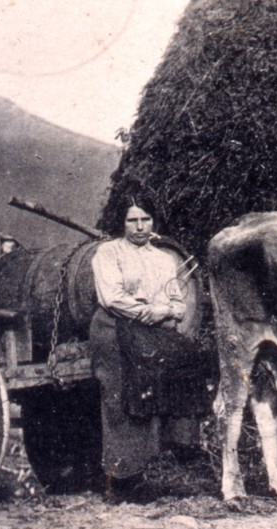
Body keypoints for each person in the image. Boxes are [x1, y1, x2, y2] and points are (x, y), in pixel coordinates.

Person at [90, 196, 208, 502]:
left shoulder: (164, 259)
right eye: (133, 220)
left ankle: (176, 456)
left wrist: (163, 312)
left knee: (188, 364)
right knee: (122, 394)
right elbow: (112, 297)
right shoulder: (108, 252)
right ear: (122, 222)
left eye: (146, 220)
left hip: (151, 329)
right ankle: (121, 480)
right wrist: (150, 312)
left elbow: (178, 303)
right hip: (114, 328)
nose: (140, 227)